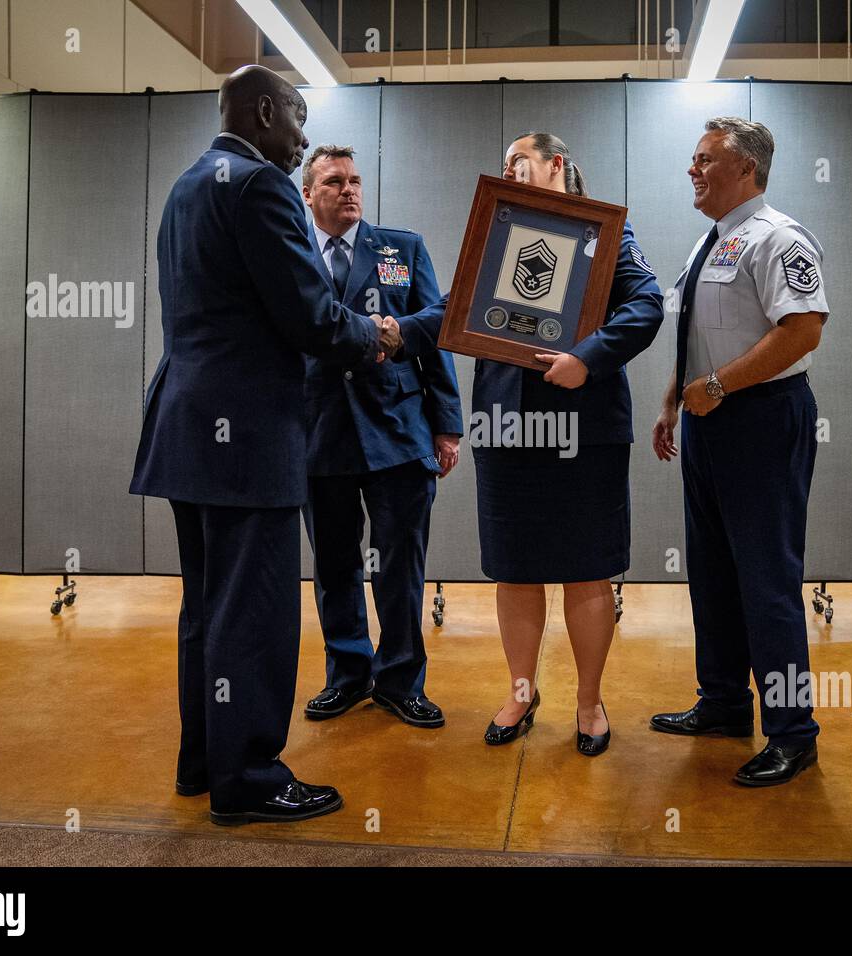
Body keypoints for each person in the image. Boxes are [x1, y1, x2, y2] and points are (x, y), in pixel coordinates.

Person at [129, 65, 401, 826]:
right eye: (296, 118)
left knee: (209, 608)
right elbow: (311, 316)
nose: (303, 136)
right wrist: (375, 335)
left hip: (189, 428)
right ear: (262, 110)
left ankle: (203, 761)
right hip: (247, 436)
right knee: (253, 612)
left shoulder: (188, 186)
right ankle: (248, 778)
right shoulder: (259, 185)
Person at [397, 132, 663, 756]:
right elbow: (449, 310)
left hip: (584, 430)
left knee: (587, 569)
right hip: (505, 427)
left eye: (518, 160)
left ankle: (590, 700)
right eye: (504, 163)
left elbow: (648, 304)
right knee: (514, 570)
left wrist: (587, 357)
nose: (508, 171)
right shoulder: (497, 238)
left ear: (556, 164)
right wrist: (389, 334)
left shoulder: (604, 234)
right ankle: (522, 691)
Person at [650, 117, 829, 788]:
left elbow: (803, 331)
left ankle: (793, 733)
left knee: (766, 582)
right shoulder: (711, 242)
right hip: (709, 422)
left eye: (704, 161)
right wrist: (676, 399)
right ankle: (724, 702)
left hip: (760, 420)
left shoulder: (780, 238)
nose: (692, 171)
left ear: (746, 169)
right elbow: (706, 334)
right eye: (692, 161)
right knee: (714, 572)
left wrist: (719, 386)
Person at [297, 144, 463, 728]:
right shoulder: (290, 253)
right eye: (334, 182)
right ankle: (346, 675)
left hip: (397, 431)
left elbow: (441, 324)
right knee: (335, 566)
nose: (348, 190)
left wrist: (446, 427)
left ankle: (399, 680)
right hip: (319, 435)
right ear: (308, 194)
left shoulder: (401, 247)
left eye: (355, 180)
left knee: (401, 566)